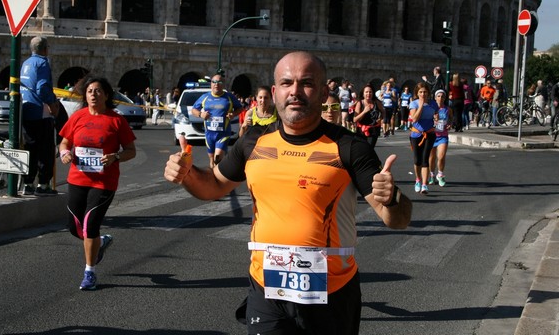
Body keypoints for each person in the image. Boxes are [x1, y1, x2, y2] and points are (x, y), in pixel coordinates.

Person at [165, 51, 412, 335]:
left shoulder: (349, 147)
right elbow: (213, 186)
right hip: (267, 288)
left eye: (306, 83)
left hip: (332, 292)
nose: (295, 91)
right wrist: (188, 174)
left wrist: (391, 198)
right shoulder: (252, 142)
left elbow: (397, 219)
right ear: (274, 91)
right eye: (286, 83)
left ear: (322, 92)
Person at [58, 76, 137, 291]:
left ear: (107, 95)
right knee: (75, 227)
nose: (94, 94)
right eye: (90, 91)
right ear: (85, 95)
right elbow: (65, 141)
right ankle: (100, 243)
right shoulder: (78, 117)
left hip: (104, 181)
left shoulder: (116, 120)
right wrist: (65, 152)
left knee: (90, 224)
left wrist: (115, 157)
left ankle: (89, 272)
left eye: (98, 91)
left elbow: (131, 150)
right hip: (77, 178)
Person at [20, 36, 61, 196]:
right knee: (45, 150)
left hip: (26, 110)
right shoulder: (42, 62)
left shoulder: (26, 63)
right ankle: (43, 185)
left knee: (30, 149)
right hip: (40, 112)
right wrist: (52, 104)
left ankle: (28, 183)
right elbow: (42, 88)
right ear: (45, 49)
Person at [191, 73, 244, 168]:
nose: (216, 84)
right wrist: (200, 114)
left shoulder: (229, 97)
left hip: (223, 133)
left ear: (223, 84)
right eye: (214, 82)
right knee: (212, 160)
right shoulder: (205, 97)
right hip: (209, 134)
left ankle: (220, 178)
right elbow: (194, 109)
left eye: (219, 82)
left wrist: (233, 114)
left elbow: (240, 108)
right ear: (211, 84)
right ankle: (214, 178)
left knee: (217, 157)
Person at [409, 82, 438, 194]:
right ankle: (418, 180)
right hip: (416, 134)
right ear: (417, 93)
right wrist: (421, 105)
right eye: (420, 92)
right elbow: (415, 119)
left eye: (425, 92)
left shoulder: (433, 104)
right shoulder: (414, 104)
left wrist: (436, 117)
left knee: (425, 159)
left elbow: (436, 115)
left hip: (429, 133)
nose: (423, 94)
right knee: (417, 160)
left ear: (428, 93)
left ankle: (424, 185)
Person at [428, 90, 451, 187]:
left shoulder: (447, 109)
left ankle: (440, 174)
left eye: (442, 96)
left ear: (445, 98)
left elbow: (451, 119)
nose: (440, 98)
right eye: (438, 96)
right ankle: (432, 175)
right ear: (435, 97)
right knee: (431, 158)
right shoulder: (430, 109)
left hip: (443, 136)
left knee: (441, 157)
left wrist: (450, 124)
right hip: (432, 135)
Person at [353, 83, 385, 148]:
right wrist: (364, 111)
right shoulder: (360, 103)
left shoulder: (376, 102)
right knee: (362, 149)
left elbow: (383, 111)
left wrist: (382, 119)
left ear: (373, 93)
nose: (368, 94)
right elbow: (355, 119)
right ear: (363, 93)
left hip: (374, 129)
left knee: (370, 148)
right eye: (366, 92)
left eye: (370, 92)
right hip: (361, 130)